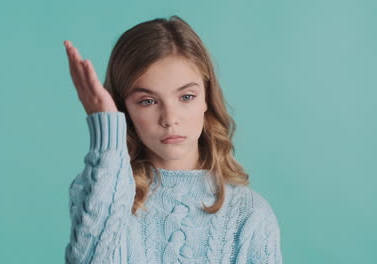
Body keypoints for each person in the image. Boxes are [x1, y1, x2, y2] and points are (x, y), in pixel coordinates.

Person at [63, 15, 282, 264]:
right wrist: (106, 130)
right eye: (148, 101)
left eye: (186, 97)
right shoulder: (97, 192)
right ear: (124, 108)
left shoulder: (250, 214)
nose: (170, 118)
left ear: (206, 98)